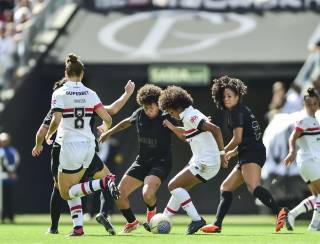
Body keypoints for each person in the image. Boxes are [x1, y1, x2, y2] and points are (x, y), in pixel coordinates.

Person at [32, 78, 135, 234]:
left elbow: (42, 131)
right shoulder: (87, 100)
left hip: (64, 149)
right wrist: (127, 94)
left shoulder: (58, 107)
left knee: (62, 190)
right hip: (87, 149)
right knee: (104, 178)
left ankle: (55, 227)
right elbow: (112, 111)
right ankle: (101, 215)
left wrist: (38, 145)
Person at [44, 53, 120, 236]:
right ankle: (78, 228)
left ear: (66, 72)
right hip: (88, 146)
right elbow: (108, 117)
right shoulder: (91, 93)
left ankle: (104, 181)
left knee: (66, 192)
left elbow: (55, 120)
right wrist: (105, 127)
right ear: (82, 73)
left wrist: (49, 134)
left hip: (69, 145)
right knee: (75, 187)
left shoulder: (60, 92)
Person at [201, 75, 288, 233]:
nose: (226, 99)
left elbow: (238, 138)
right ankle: (217, 224)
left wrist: (222, 152)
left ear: (238, 96)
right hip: (250, 151)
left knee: (253, 186)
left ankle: (279, 211)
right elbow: (245, 139)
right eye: (224, 96)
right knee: (226, 187)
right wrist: (232, 153)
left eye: (230, 96)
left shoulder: (236, 112)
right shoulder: (242, 110)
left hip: (252, 153)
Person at [99, 84, 177, 233]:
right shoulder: (140, 113)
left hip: (161, 162)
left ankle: (151, 218)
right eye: (145, 107)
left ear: (158, 104)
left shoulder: (167, 116)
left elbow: (184, 125)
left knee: (147, 193)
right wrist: (109, 132)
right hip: (142, 161)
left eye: (151, 107)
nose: (148, 110)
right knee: (118, 195)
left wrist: (200, 123)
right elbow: (127, 122)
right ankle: (132, 222)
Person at [157, 85, 226, 235]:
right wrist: (172, 127)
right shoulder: (188, 115)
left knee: (173, 185)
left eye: (170, 111)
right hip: (205, 162)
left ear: (176, 107)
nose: (171, 114)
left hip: (206, 162)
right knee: (180, 189)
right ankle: (164, 219)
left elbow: (216, 129)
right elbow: (186, 134)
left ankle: (196, 220)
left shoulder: (190, 116)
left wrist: (222, 154)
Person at [284, 88, 320, 231]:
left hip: (310, 162)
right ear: (304, 105)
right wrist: (291, 151)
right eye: (309, 104)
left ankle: (292, 215)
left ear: (318, 104)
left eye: (315, 104)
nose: (312, 107)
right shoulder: (304, 120)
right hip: (309, 161)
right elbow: (292, 137)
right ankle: (314, 226)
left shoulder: (315, 120)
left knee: (317, 196)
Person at [0, 132, 20, 223]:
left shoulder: (13, 151)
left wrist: (11, 171)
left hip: (8, 179)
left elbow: (16, 162)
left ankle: (10, 216)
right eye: (3, 141)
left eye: (6, 140)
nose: (4, 142)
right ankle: (2, 217)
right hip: (1, 178)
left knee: (9, 198)